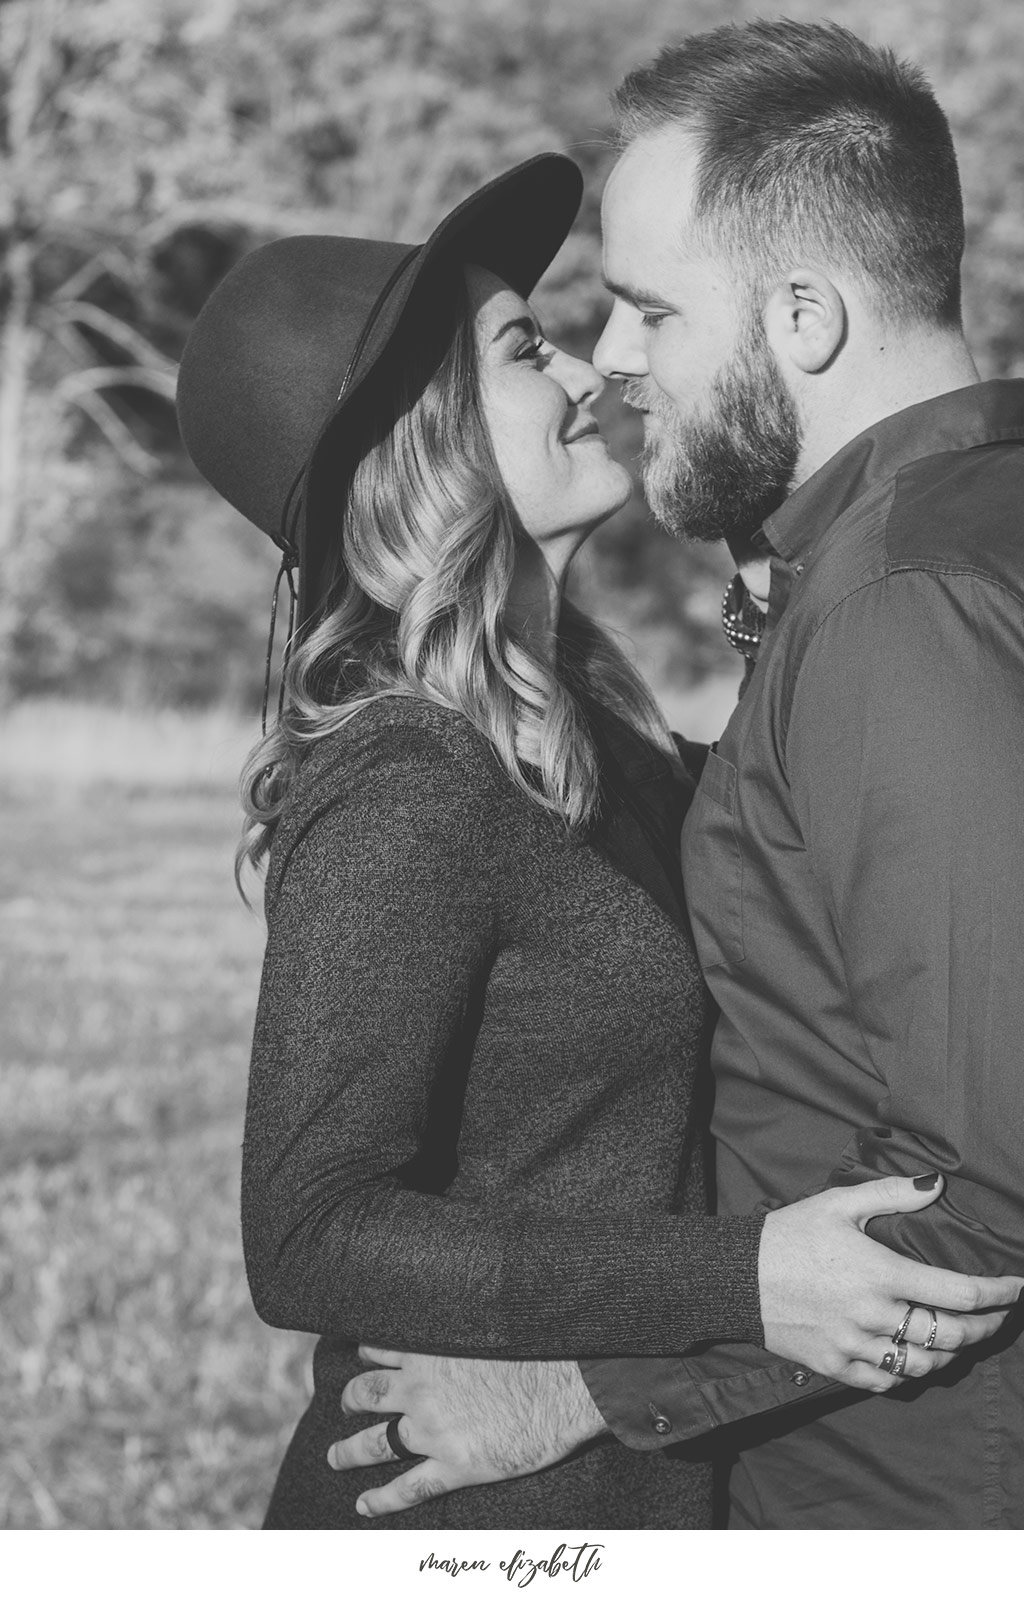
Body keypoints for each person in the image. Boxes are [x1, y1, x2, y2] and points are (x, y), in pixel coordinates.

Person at [176, 153, 1018, 1532]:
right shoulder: (405, 777)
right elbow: (310, 1232)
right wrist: (742, 1282)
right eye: (524, 349)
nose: (588, 373)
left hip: (649, 1482)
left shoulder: (593, 733)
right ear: (421, 437)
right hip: (476, 1501)